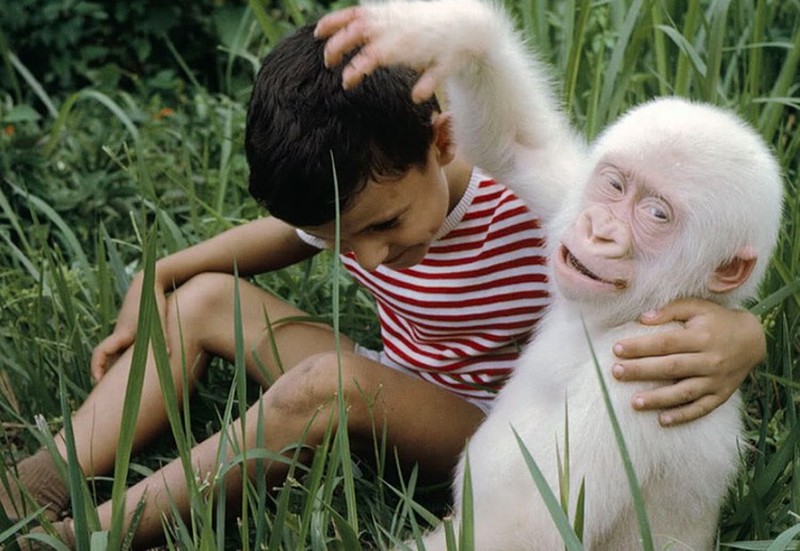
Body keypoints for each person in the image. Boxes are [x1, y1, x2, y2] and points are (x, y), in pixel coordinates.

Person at [3, 24, 765, 549]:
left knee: (329, 383)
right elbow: (280, 237)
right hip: (398, 376)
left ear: (443, 141)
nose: (370, 256)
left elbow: (653, 269)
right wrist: (163, 273)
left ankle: (90, 535)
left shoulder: (537, 200)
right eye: (343, 241)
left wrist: (743, 333)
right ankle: (35, 483)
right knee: (206, 297)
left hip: (489, 427)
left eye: (385, 227)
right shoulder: (363, 197)